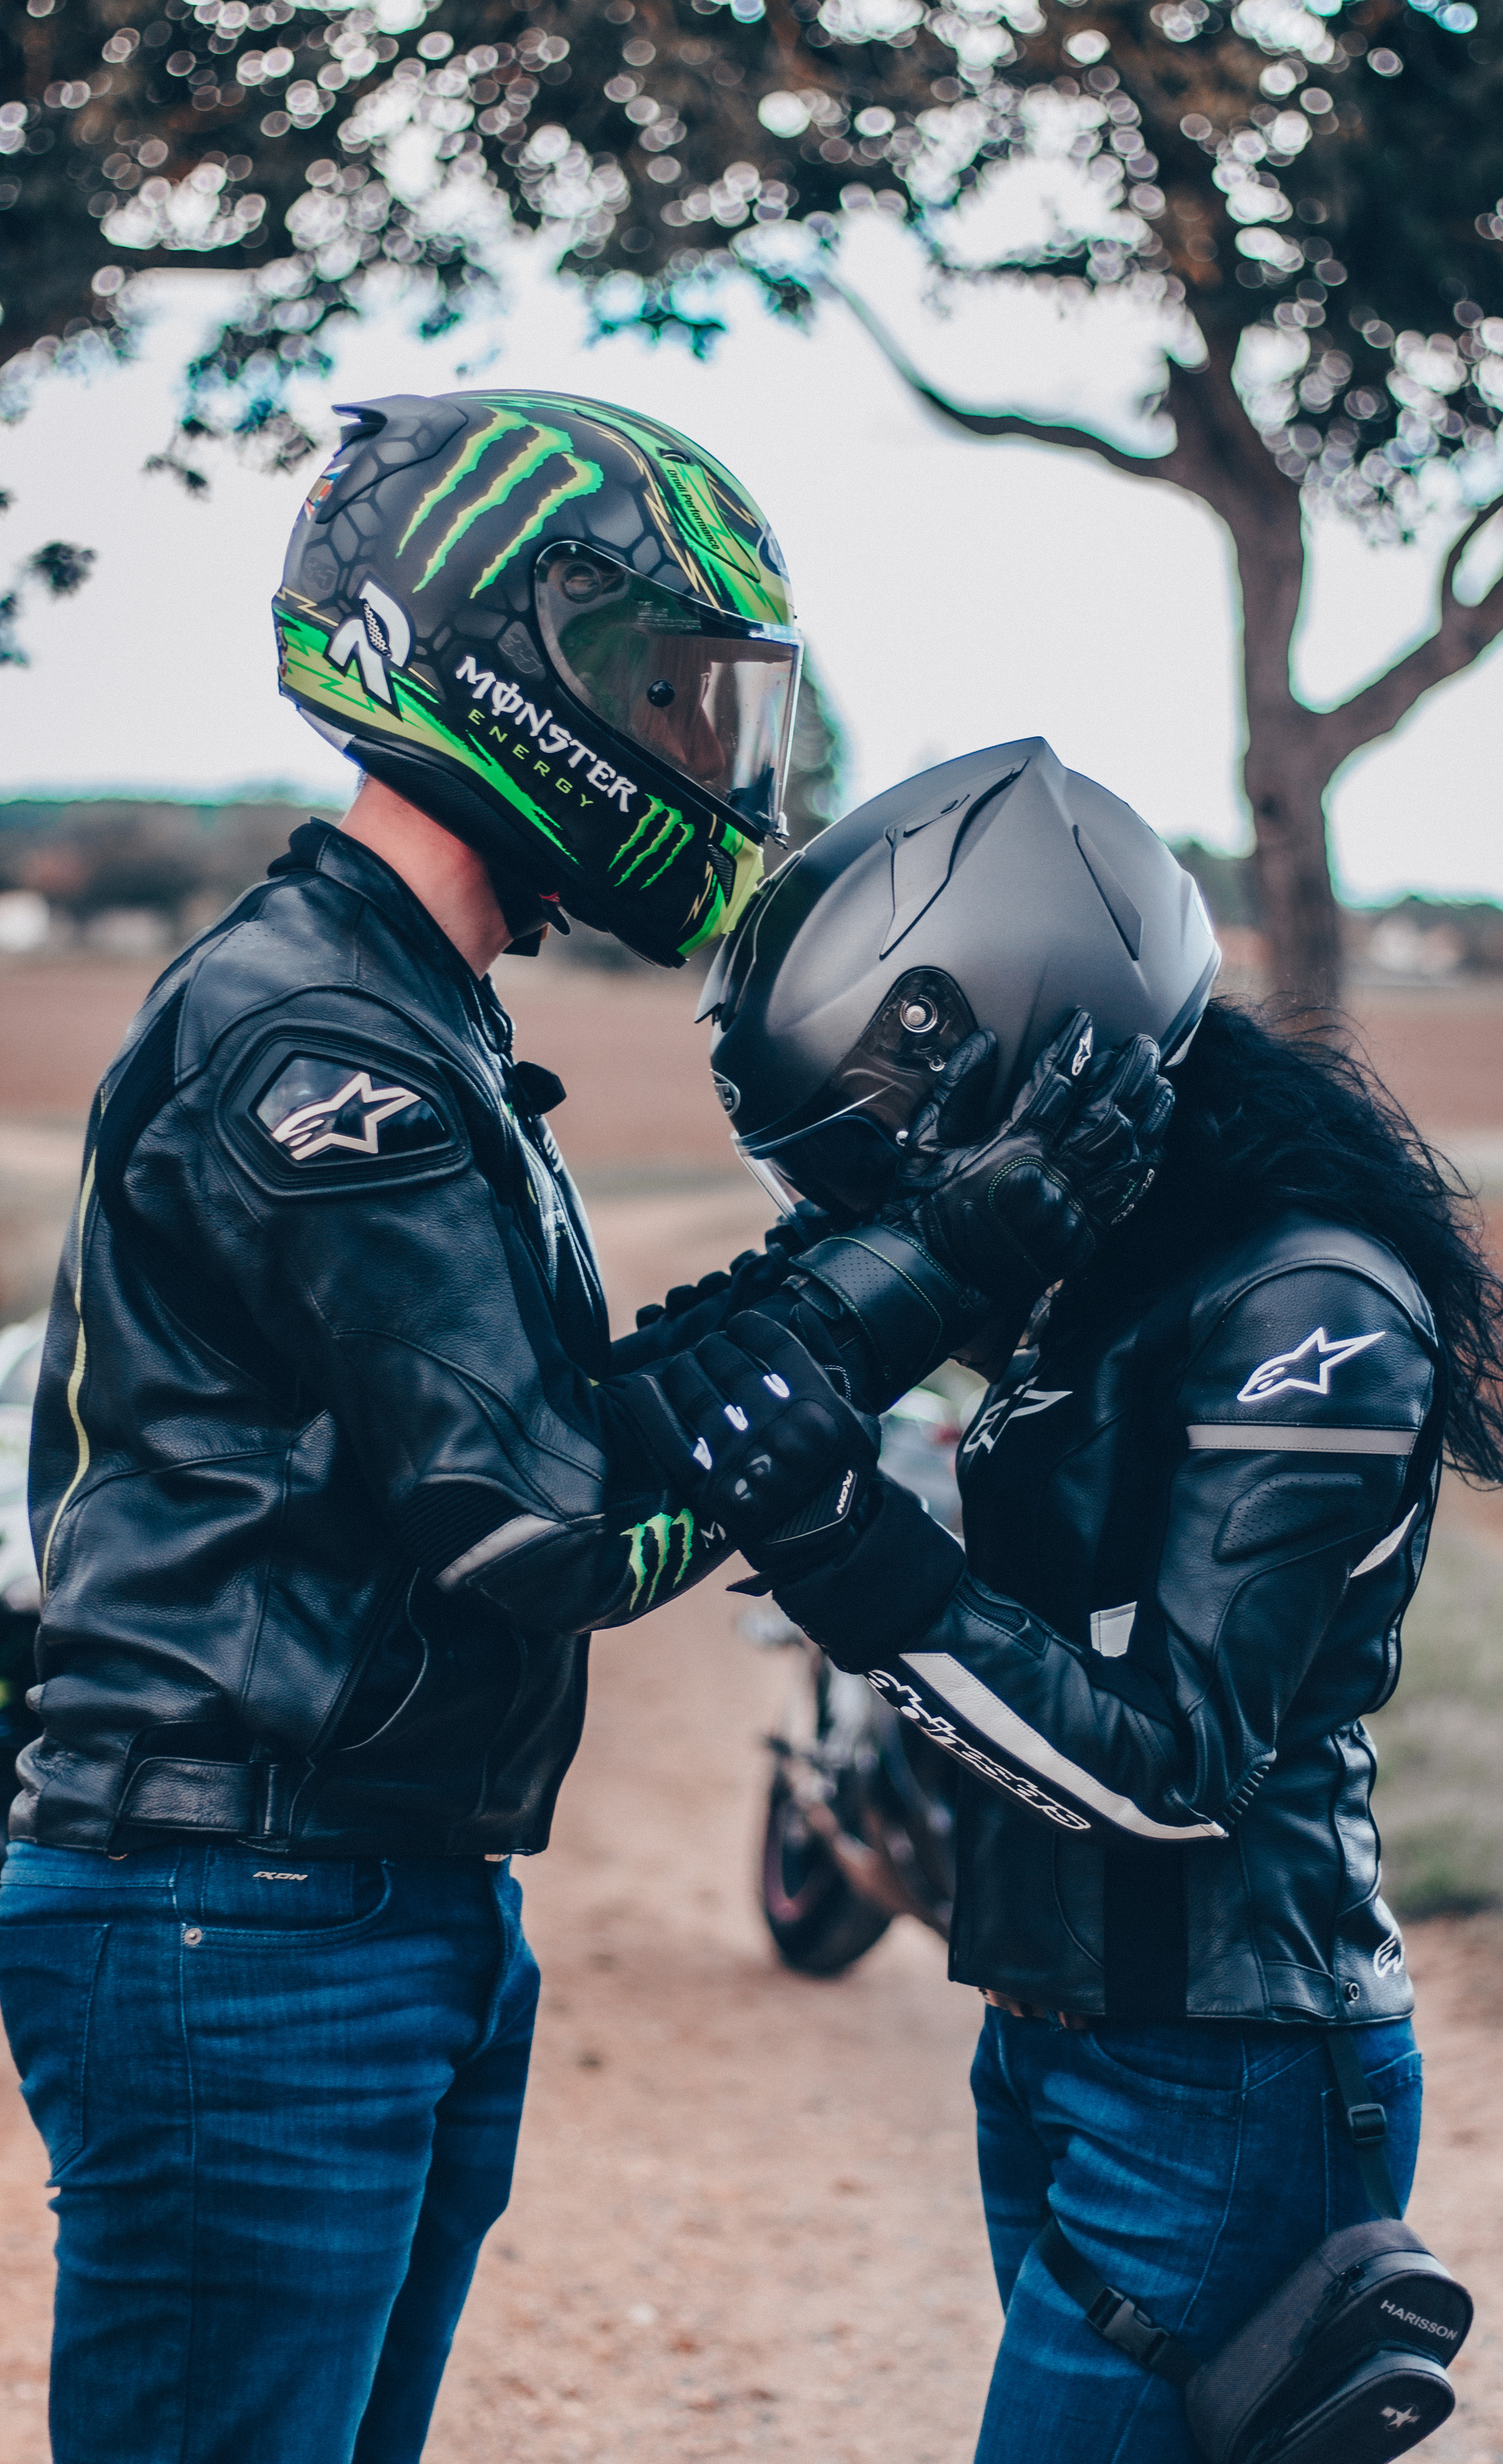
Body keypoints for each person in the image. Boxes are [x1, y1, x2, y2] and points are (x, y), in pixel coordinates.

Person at [0, 399, 1174, 2464]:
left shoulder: (408, 1015)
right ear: (511, 661)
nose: (706, 753)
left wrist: (920, 1252)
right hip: (248, 1924)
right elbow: (555, 1524)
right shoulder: (318, 1049)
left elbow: (575, 1417)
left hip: (359, 1901)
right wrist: (929, 1275)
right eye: (668, 693)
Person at [683, 737, 1503, 2464]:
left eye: (876, 1160)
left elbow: (1177, 1761)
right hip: (1069, 2041)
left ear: (1011, 1044)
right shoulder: (1101, 1278)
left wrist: (856, 1552)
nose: (873, 1208)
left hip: (1229, 2077)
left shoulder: (1307, 1308)